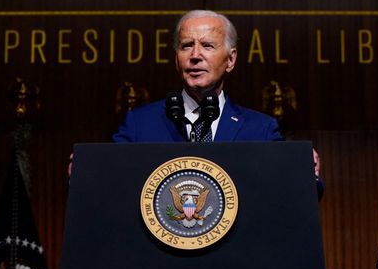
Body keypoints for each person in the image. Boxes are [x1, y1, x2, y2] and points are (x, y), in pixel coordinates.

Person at [112, 10, 322, 194]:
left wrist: (306, 172)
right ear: (177, 59)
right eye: (186, 46)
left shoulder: (261, 129)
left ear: (230, 60)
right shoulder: (139, 123)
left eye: (207, 45)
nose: (195, 55)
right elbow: (107, 181)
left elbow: (300, 192)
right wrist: (84, 169)